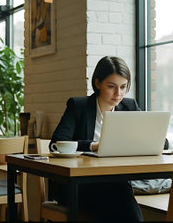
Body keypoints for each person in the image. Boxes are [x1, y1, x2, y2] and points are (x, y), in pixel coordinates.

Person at [49, 56, 144, 222]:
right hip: (77, 184)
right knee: (118, 197)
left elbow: (159, 141)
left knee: (116, 194)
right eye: (111, 87)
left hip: (114, 182)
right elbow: (57, 144)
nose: (118, 93)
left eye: (123, 87)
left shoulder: (130, 107)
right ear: (98, 83)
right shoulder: (78, 106)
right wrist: (94, 146)